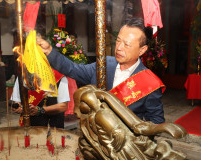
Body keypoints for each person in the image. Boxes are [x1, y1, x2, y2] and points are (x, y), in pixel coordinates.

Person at [37, 18, 165, 124]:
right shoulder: (103, 65)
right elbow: (72, 69)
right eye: (118, 41)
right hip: (93, 138)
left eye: (126, 44)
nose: (119, 48)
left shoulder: (149, 83)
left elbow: (156, 122)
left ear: (142, 50)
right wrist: (49, 52)